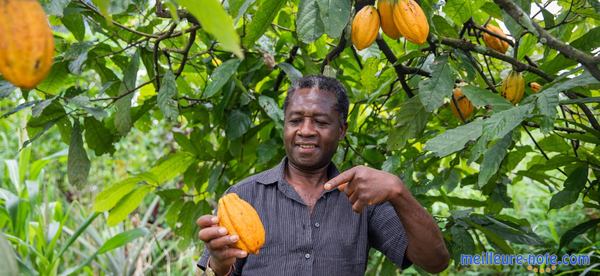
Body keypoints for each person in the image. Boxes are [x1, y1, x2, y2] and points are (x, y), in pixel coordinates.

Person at [196, 75, 449, 275]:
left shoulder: (363, 197)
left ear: (342, 130)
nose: (306, 131)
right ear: (284, 125)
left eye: (321, 122)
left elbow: (436, 262)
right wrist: (218, 266)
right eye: (295, 121)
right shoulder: (243, 196)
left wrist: (398, 190)